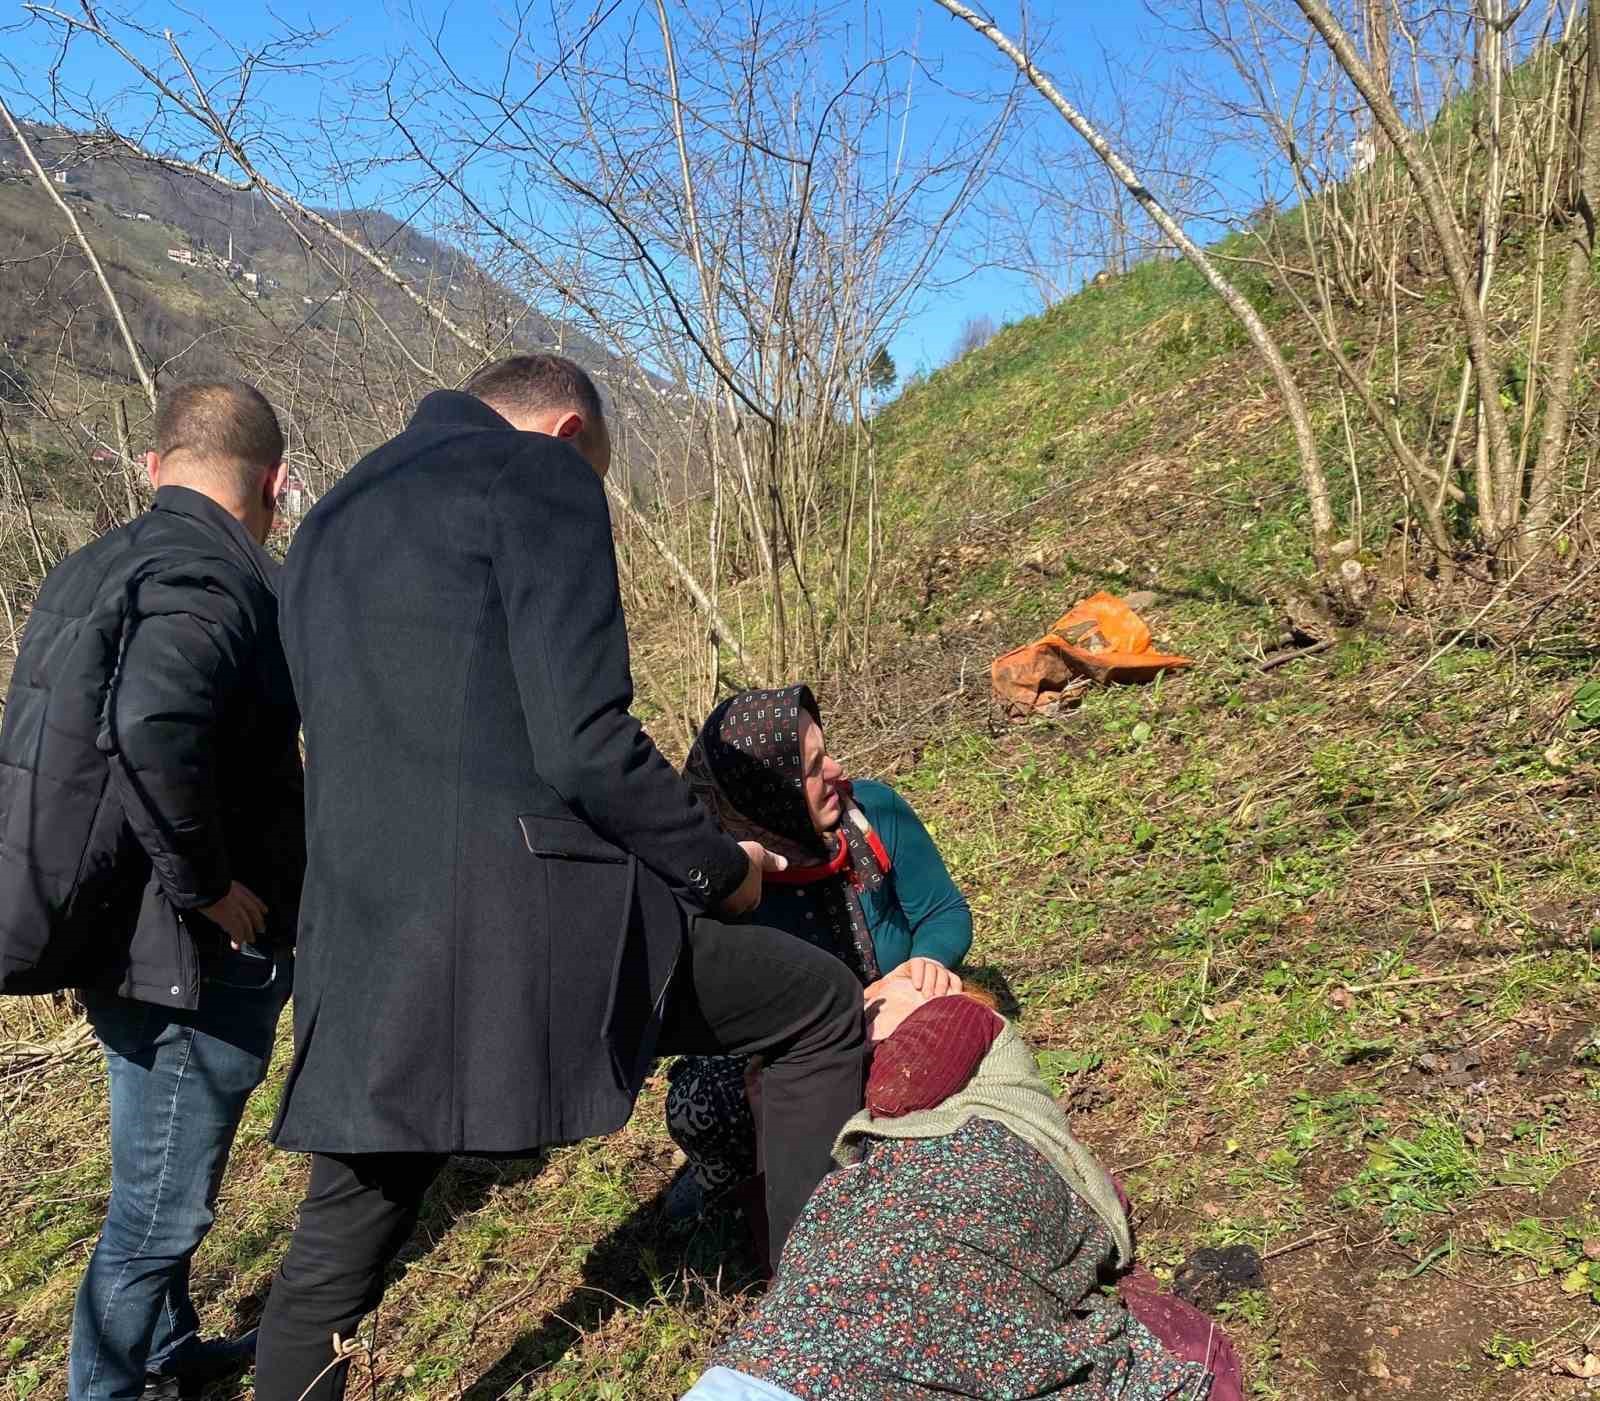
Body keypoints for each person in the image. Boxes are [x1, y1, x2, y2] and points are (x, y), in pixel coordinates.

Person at [253, 356, 867, 1401]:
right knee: (815, 1006)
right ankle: (816, 1344)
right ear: (568, 431)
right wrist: (721, 868)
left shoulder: (327, 524)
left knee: (333, 1251)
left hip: (361, 931)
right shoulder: (534, 472)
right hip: (523, 923)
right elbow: (585, 746)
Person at [0, 381, 304, 1400]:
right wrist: (207, 883)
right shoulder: (210, 572)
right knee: (157, 1214)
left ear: (152, 465)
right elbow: (149, 725)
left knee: (157, 1177)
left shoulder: (99, 563)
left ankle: (168, 1355)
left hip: (116, 933)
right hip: (185, 956)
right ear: (276, 483)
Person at [680, 986, 1223, 1401]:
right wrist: (777, 1090)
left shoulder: (962, 1014)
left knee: (903, 1270)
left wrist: (845, 1041)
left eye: (877, 996)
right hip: (903, 1187)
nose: (864, 1001)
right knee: (822, 1294)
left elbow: (898, 1091)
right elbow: (788, 1207)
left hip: (982, 1157)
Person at [666, 683, 971, 1220]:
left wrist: (924, 963)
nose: (835, 770)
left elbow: (943, 912)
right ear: (769, 791)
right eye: (811, 768)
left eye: (825, 753)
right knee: (703, 1103)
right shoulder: (725, 876)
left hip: (892, 1015)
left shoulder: (874, 812)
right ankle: (738, 1190)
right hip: (787, 1050)